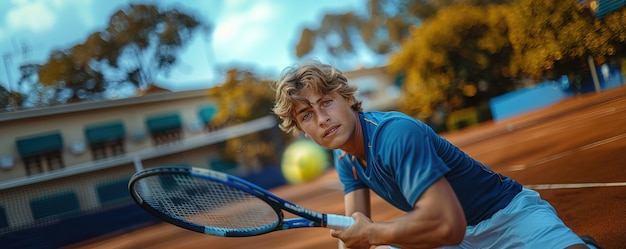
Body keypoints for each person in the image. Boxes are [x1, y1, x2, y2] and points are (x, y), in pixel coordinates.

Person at [272, 59, 602, 249]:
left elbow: (448, 225)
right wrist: (357, 236)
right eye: (306, 115)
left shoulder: (395, 135)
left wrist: (372, 233)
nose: (321, 118)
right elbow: (355, 227)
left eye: (325, 102)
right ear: (303, 131)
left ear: (345, 98)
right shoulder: (345, 159)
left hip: (506, 216)